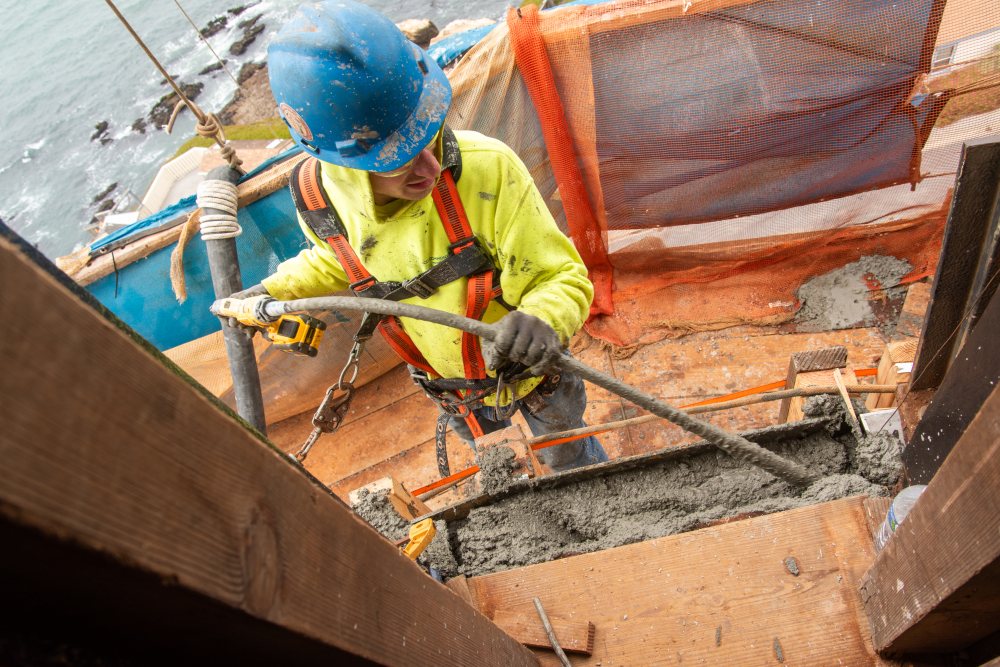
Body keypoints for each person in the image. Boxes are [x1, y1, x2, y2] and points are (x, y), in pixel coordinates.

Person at [235, 0, 607, 471]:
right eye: (398, 159)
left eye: (429, 135)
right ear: (341, 159)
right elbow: (340, 258)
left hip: (535, 380)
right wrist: (271, 291)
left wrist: (544, 318)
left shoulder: (487, 170)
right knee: (502, 471)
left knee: (571, 459)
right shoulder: (318, 197)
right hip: (454, 391)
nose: (432, 168)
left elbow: (563, 278)